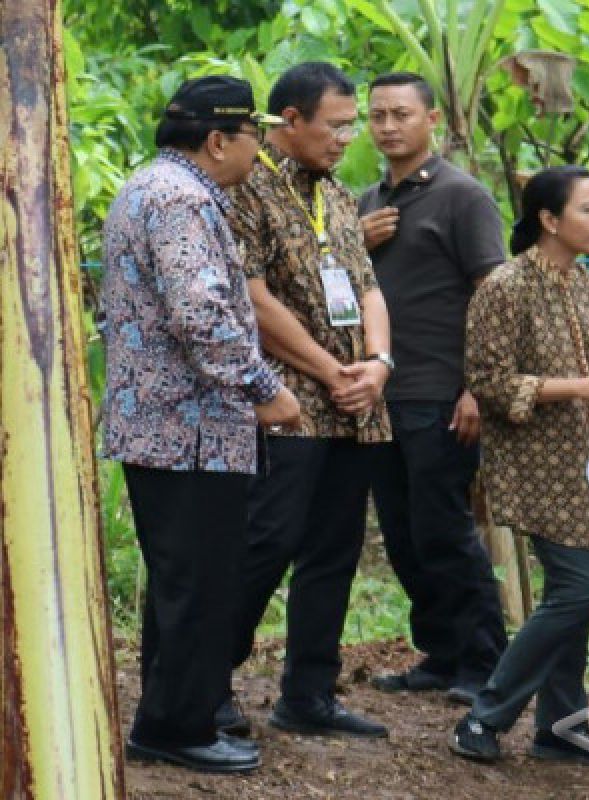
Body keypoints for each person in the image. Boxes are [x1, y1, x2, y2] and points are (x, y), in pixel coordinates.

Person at [101, 76, 300, 773]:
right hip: (186, 430)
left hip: (169, 427)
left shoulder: (152, 188)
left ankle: (171, 715)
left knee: (182, 584)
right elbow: (202, 314)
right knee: (199, 585)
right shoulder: (181, 200)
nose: (263, 151)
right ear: (218, 140)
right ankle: (175, 727)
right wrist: (264, 389)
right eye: (255, 137)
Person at [223, 61, 393, 738]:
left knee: (334, 547)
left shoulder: (340, 195)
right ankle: (206, 685)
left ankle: (309, 693)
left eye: (352, 125)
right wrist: (329, 370)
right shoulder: (246, 187)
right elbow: (253, 300)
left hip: (355, 403)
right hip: (288, 400)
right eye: (337, 125)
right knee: (267, 540)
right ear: (289, 121)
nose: (348, 138)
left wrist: (378, 364)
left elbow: (370, 287)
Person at [448, 166, 589, 764]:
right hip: (536, 468)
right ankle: (485, 715)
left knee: (570, 595)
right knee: (582, 589)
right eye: (588, 209)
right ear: (550, 220)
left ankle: (560, 725)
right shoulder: (504, 287)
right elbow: (489, 383)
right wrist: (578, 387)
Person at [357, 71, 507, 705]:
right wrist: (352, 245)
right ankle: (441, 653)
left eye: (402, 115)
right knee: (404, 533)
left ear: (433, 120)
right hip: (378, 393)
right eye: (378, 116)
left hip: (441, 393)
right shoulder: (362, 202)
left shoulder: (462, 196)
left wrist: (477, 388)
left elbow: (495, 297)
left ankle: (485, 664)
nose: (389, 127)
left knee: (444, 529)